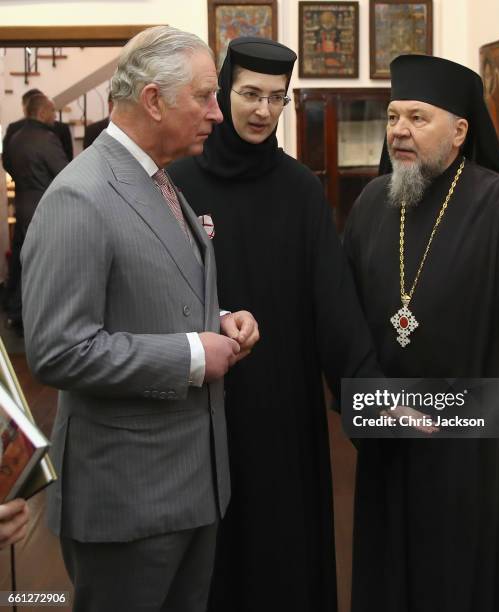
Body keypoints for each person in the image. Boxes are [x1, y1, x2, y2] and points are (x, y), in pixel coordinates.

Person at [21, 26, 258, 612]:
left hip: (187, 488)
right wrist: (195, 355)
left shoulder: (159, 179)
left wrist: (220, 319)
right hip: (129, 500)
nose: (218, 114)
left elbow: (157, 292)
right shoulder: (80, 197)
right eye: (204, 97)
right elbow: (58, 350)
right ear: (153, 100)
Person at [343, 54, 499, 612]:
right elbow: (342, 315)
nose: (399, 129)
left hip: (470, 450)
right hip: (391, 436)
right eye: (393, 115)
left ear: (459, 131)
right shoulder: (371, 204)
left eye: (418, 117)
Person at [168, 37, 380, 612]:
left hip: (284, 407)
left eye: (277, 99)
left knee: (281, 557)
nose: (263, 110)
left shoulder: (301, 190)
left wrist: (374, 399)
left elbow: (333, 305)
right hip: (200, 405)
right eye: (250, 94)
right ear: (223, 95)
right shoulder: (178, 185)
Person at [3, 94, 69, 332]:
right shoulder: (47, 138)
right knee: (41, 265)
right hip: (44, 208)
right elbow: (65, 173)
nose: (54, 117)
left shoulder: (15, 137)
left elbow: (8, 165)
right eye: (52, 111)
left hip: (21, 206)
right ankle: (36, 317)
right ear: (41, 113)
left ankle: (15, 311)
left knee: (20, 262)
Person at [2, 88, 73, 171]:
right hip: (50, 182)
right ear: (41, 111)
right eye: (52, 110)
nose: (55, 115)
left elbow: (7, 163)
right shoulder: (49, 138)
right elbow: (63, 169)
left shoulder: (15, 134)